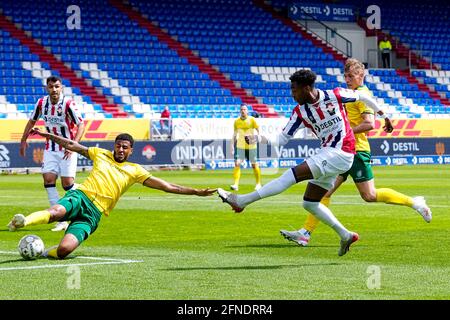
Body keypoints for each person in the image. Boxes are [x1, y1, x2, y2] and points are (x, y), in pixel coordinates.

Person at [218, 69, 394, 256]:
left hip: (343, 151)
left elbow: (362, 97)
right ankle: (346, 235)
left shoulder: (334, 95)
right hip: (330, 154)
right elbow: (282, 139)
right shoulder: (300, 112)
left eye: (294, 90)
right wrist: (258, 139)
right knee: (310, 203)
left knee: (290, 175)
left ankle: (242, 201)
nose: (292, 95)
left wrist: (384, 115)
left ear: (307, 88)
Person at [8, 131, 216, 259]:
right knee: (56, 212)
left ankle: (43, 252)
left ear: (131, 150)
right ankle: (23, 221)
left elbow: (168, 186)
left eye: (125, 147)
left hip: (94, 215)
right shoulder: (100, 154)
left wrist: (197, 192)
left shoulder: (136, 170)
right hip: (81, 196)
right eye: (118, 145)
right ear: (113, 146)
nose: (120, 149)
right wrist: (48, 136)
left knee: (64, 250)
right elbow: (72, 145)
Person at [292, 59, 432, 246]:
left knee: (369, 195)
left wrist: (343, 133)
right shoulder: (352, 94)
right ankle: (305, 233)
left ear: (361, 76)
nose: (347, 79)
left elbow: (369, 124)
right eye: (345, 76)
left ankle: (415, 203)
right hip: (342, 151)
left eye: (351, 76)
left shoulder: (362, 94)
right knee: (324, 193)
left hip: (356, 151)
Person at [19, 76, 85, 232]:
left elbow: (81, 125)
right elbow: (31, 121)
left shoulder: (68, 104)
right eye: (51, 87)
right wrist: (23, 140)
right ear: (46, 88)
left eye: (56, 86)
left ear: (61, 87)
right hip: (50, 148)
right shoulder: (42, 103)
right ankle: (61, 219)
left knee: (67, 185)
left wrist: (73, 145)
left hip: (67, 149)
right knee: (48, 179)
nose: (54, 90)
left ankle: (85, 192)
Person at [230, 104, 262, 191]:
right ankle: (236, 184)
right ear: (240, 111)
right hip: (240, 146)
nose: (243, 111)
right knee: (237, 163)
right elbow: (234, 134)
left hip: (251, 146)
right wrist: (232, 146)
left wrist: (258, 136)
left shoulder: (252, 120)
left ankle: (258, 183)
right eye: (242, 109)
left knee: (254, 165)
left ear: (247, 111)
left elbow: (258, 129)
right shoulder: (236, 121)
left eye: (244, 109)